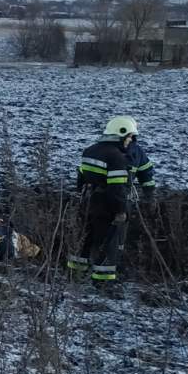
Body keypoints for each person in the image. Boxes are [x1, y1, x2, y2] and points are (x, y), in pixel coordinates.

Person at [69, 114, 138, 293]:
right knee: (109, 244)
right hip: (106, 206)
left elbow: (81, 177)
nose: (130, 141)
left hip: (87, 202)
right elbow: (117, 189)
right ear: (121, 134)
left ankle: (74, 275)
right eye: (129, 137)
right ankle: (103, 283)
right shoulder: (117, 158)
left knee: (83, 238)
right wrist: (121, 210)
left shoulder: (90, 150)